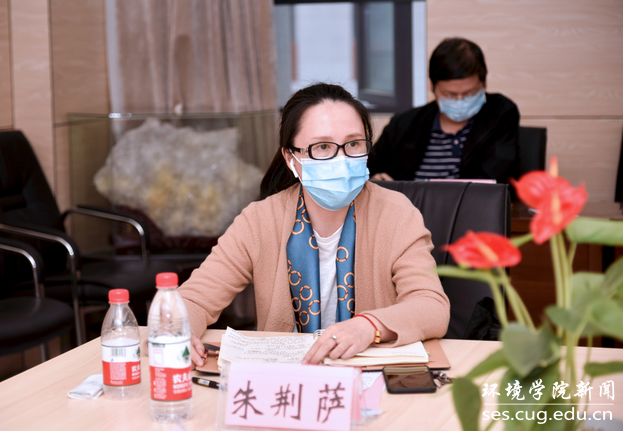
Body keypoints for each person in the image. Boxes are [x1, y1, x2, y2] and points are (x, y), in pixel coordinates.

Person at [179, 83, 449, 367]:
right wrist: (178, 331)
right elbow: (194, 300)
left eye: (353, 144)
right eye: (322, 147)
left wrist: (369, 326)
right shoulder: (259, 220)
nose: (342, 158)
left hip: (371, 378)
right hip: (285, 379)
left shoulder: (397, 213)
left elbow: (431, 306)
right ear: (291, 158)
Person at [368, 37, 520, 184]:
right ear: (432, 86)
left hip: (475, 202)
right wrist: (378, 181)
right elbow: (369, 171)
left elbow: (497, 178)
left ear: (484, 83)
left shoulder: (501, 114)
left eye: (470, 93)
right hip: (408, 202)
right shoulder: (403, 125)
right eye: (450, 95)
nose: (460, 101)